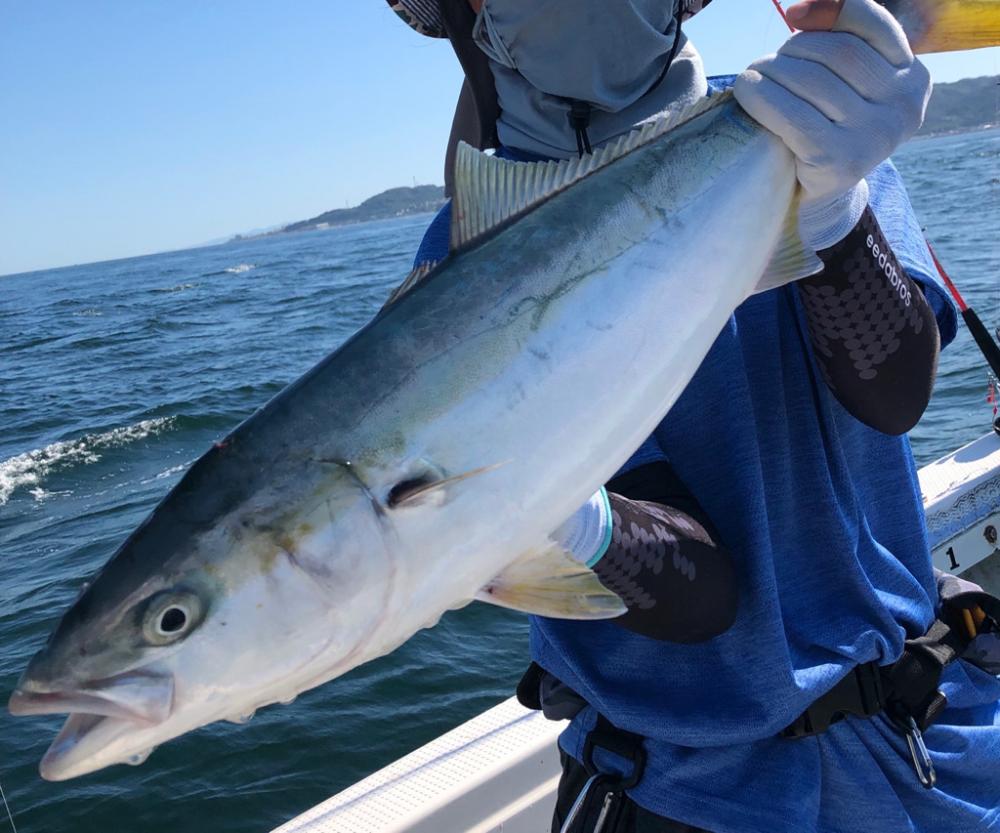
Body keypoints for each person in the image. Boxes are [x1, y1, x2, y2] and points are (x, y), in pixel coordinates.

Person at [387, 1, 1000, 831]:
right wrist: (559, 516)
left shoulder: (802, 120)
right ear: (475, 18)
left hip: (927, 732)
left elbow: (895, 394)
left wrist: (835, 211)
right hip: (684, 790)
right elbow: (700, 595)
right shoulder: (461, 263)